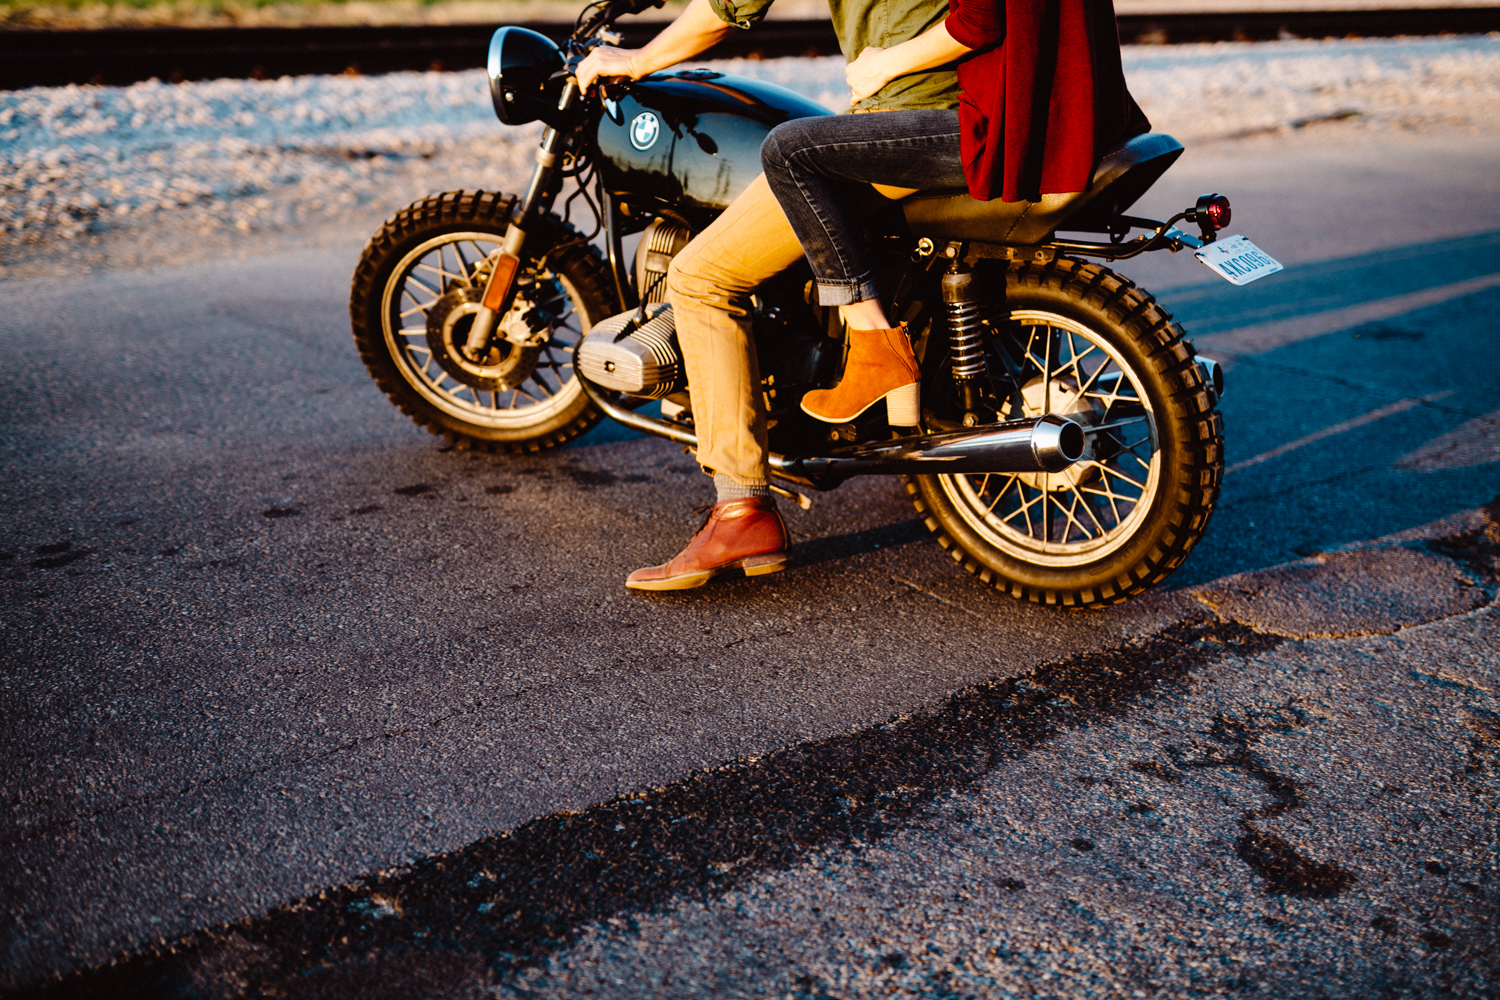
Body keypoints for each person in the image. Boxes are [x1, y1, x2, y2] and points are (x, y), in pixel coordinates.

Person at [576, 0, 962, 592]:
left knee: (699, 276)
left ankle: (741, 514)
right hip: (972, 108)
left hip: (904, 111)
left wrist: (637, 58)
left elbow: (725, 8)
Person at [759, 0, 1151, 422]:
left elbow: (979, 20)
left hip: (1003, 127)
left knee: (787, 151)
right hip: (1071, 119)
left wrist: (882, 65)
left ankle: (876, 348)